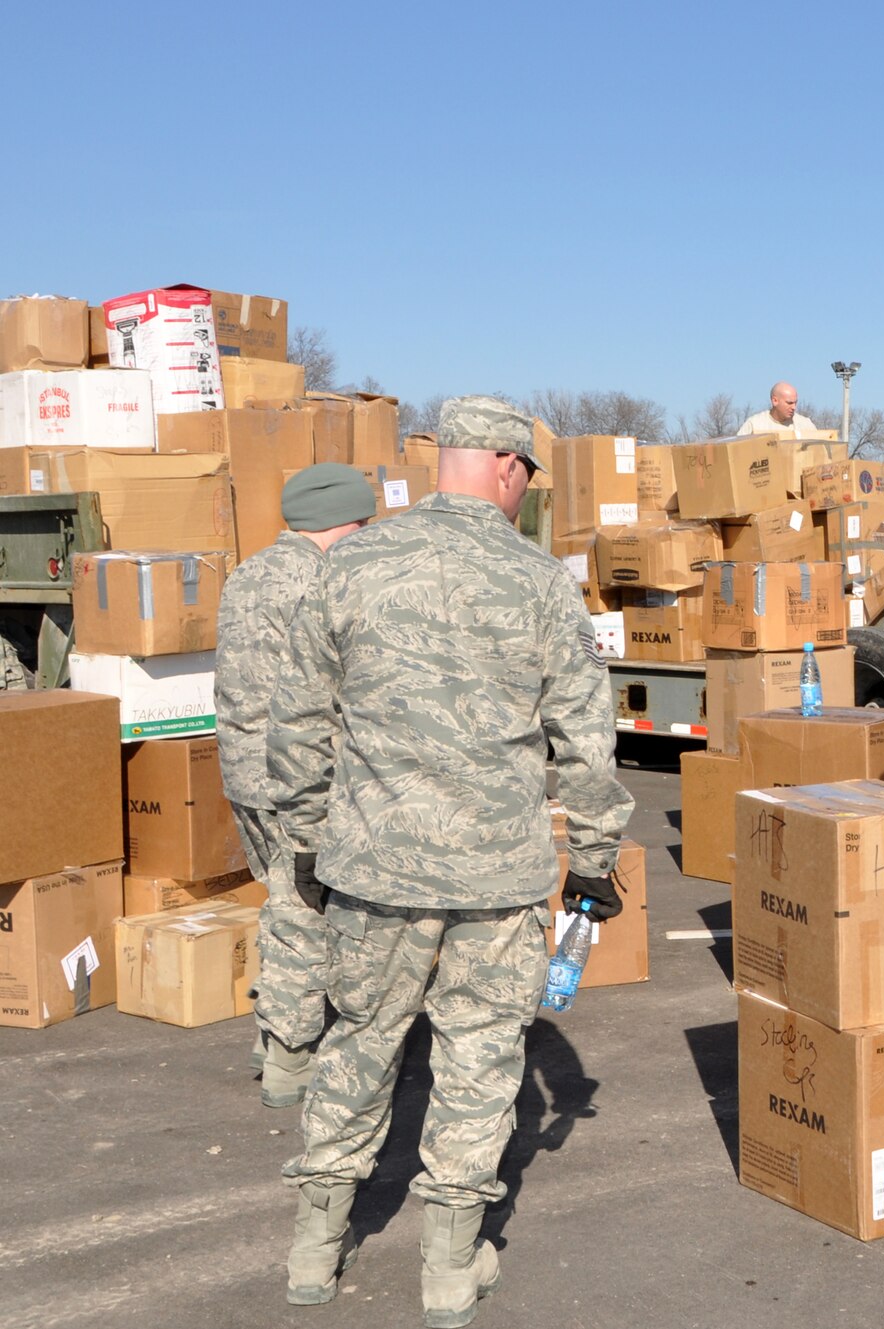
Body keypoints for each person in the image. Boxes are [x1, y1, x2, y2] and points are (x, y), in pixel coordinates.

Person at [266, 396, 634, 1324]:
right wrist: (593, 857)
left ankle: (315, 1251)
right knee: (476, 1056)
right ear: (508, 466)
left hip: (372, 867)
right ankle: (447, 1267)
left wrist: (308, 841)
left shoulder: (345, 562)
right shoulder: (540, 580)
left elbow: (297, 722)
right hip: (494, 877)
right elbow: (587, 739)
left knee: (358, 1041)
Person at [214, 463, 377, 1108]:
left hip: (244, 768)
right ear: (344, 521)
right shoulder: (324, 581)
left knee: (284, 899)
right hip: (298, 777)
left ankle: (272, 1034)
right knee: (303, 913)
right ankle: (290, 1058)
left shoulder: (250, 572)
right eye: (364, 524)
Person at [737, 381, 818, 438]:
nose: (794, 407)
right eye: (789, 403)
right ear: (775, 401)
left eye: (795, 403)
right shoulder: (754, 425)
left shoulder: (805, 425)